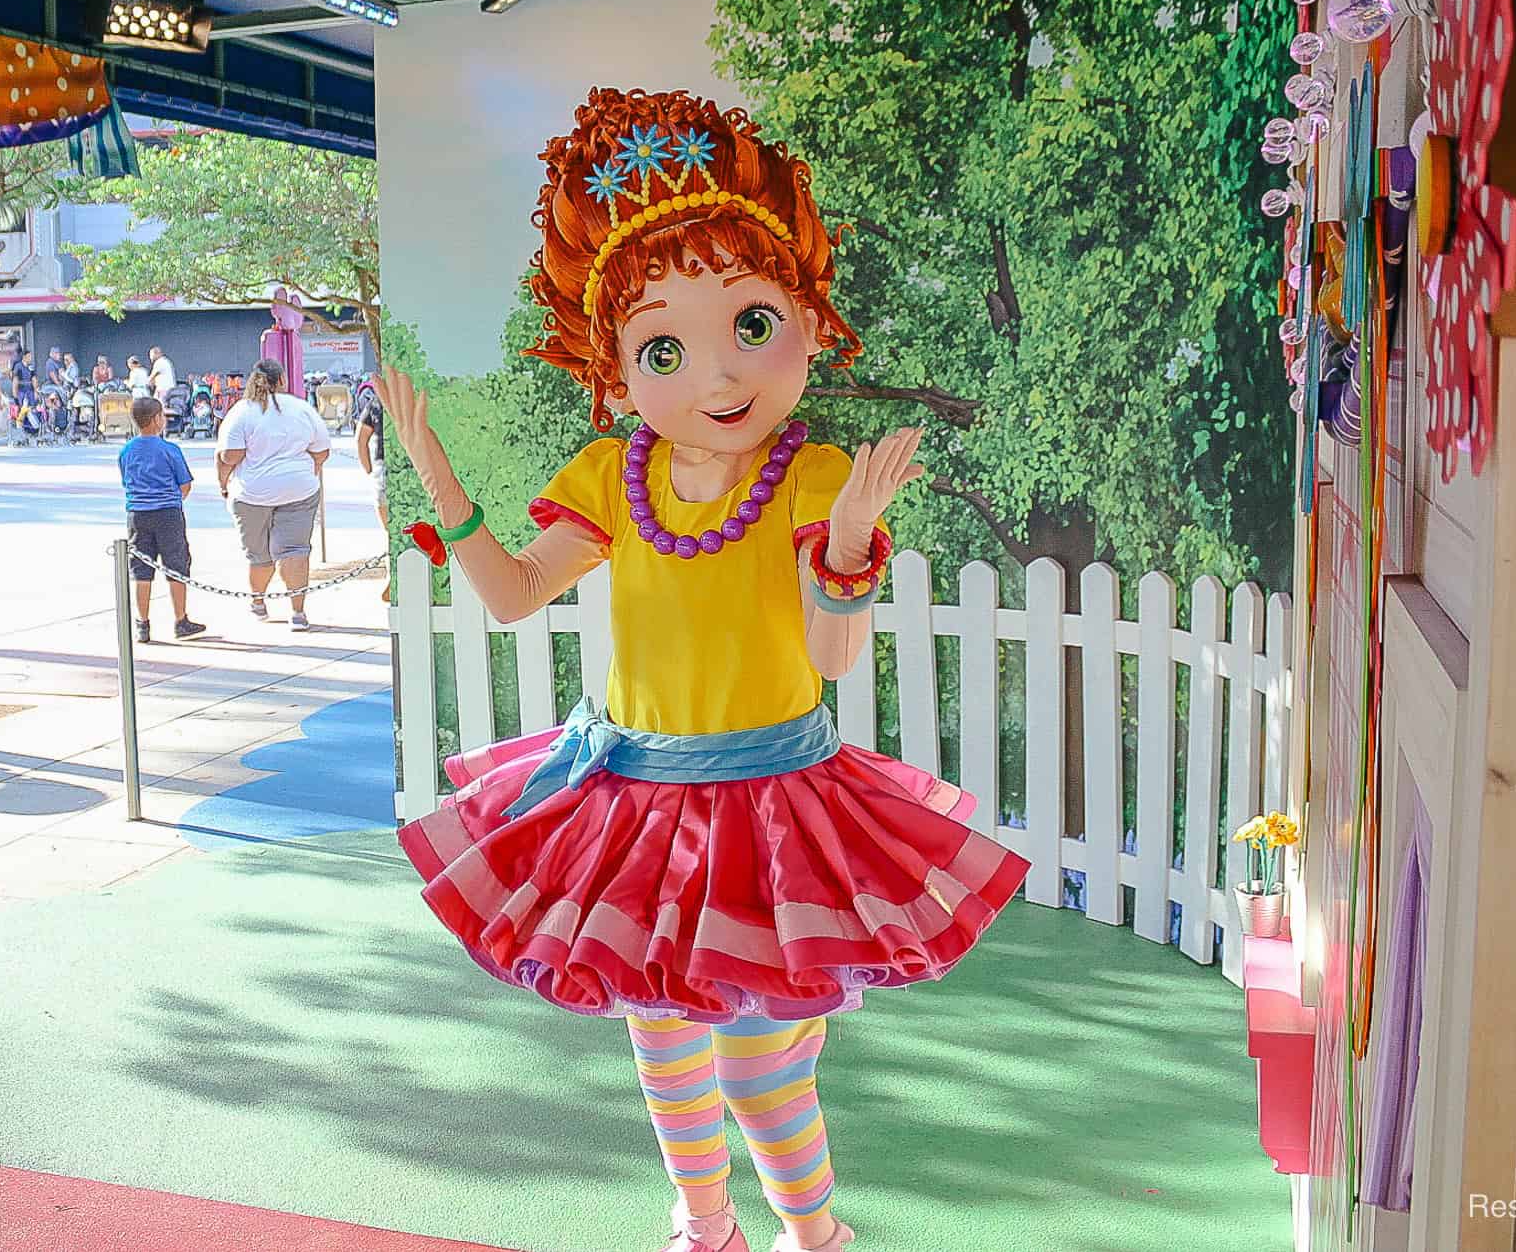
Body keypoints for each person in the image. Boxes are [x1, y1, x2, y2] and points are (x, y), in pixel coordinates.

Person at [381, 89, 1028, 1252]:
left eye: (753, 322)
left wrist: (841, 549)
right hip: (632, 798)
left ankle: (812, 1234)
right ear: (615, 369)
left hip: (775, 803)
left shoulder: (812, 473)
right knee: (663, 1031)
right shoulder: (605, 475)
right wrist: (441, 483)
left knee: (761, 1057)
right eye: (663, 347)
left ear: (809, 321)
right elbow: (517, 594)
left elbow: (831, 658)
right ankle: (703, 1226)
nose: (715, 374)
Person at [216, 358, 330, 631]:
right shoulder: (302, 408)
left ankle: (258, 602)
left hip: (252, 494)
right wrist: (310, 468)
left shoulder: (242, 411)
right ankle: (298, 613)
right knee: (295, 550)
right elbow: (322, 450)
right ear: (282, 380)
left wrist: (223, 483)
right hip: (299, 490)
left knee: (259, 555)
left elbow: (229, 455)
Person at [119, 396, 205, 644]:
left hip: (137, 514)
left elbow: (126, 480)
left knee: (141, 569)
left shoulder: (127, 450)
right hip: (168, 513)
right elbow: (185, 484)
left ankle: (142, 623)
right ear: (157, 420)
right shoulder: (170, 450)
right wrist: (174, 499)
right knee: (176, 564)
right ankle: (181, 620)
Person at [352, 378, 390, 602]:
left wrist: (368, 469)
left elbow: (361, 438)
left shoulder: (377, 402)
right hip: (416, 468)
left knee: (389, 533)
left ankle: (390, 578)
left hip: (384, 471)